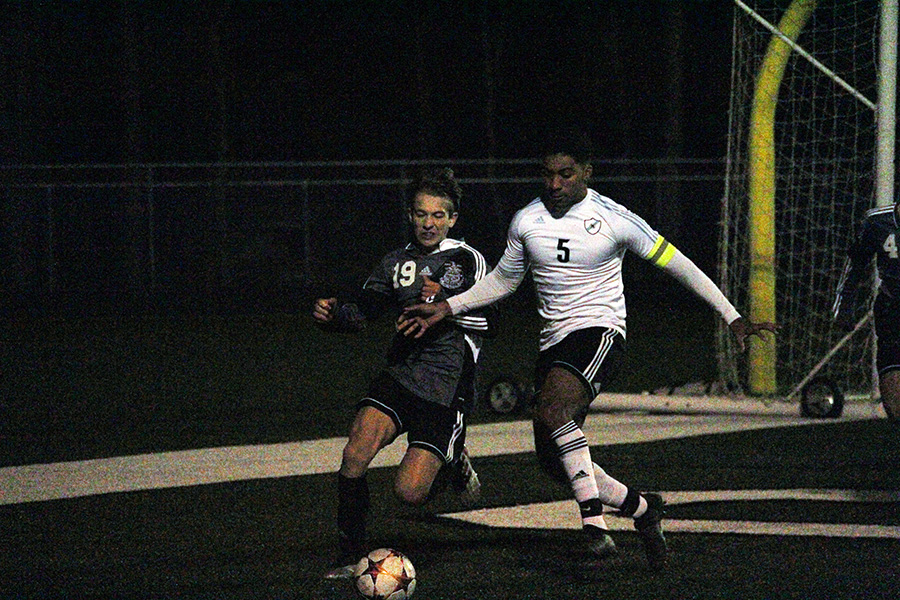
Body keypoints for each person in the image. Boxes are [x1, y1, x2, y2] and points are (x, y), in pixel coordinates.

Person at [400, 130, 777, 569]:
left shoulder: (615, 219)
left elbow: (680, 265)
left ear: (586, 174)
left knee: (553, 411)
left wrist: (732, 316)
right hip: (553, 343)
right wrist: (447, 306)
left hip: (599, 332)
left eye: (566, 174)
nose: (555, 184)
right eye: (549, 174)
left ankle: (596, 530)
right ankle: (642, 509)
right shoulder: (527, 221)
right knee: (554, 460)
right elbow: (504, 280)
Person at [313, 167, 494, 579]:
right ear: (410, 216)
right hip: (401, 374)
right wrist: (333, 314)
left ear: (452, 219)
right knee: (356, 450)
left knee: (410, 492)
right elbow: (366, 311)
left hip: (446, 385)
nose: (428, 223)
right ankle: (349, 555)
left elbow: (492, 321)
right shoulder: (396, 262)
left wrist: (443, 311)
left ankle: (451, 457)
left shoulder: (467, 260)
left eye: (438, 215)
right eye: (420, 214)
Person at [833, 201, 900, 421]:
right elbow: (855, 265)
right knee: (893, 384)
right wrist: (844, 305)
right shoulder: (877, 221)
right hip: (892, 309)